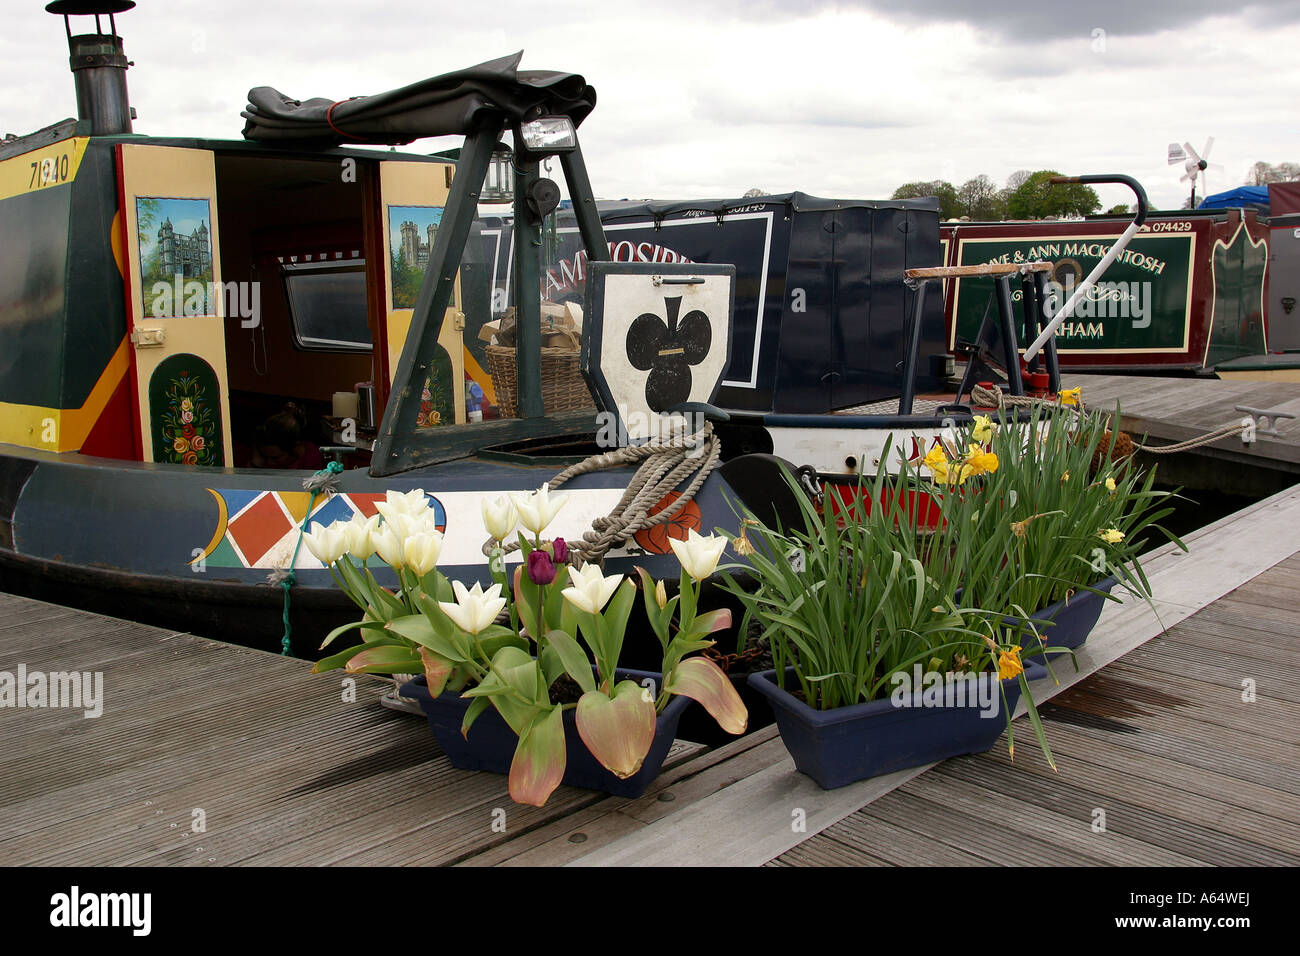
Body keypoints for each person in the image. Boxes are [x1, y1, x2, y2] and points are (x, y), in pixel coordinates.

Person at [250, 403, 324, 470]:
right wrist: (256, 464)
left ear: (296, 447)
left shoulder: (311, 457)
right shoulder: (259, 452)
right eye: (264, 456)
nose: (269, 463)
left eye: (275, 458)